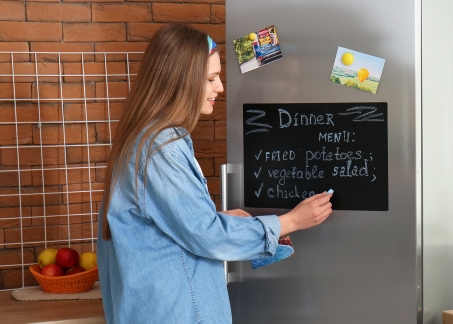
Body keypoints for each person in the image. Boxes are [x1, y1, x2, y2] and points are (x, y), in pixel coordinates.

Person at [97, 24, 333, 324]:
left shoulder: (146, 138)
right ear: (179, 82)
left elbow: (175, 225)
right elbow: (205, 235)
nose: (220, 87)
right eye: (210, 79)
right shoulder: (161, 149)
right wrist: (291, 221)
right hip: (178, 312)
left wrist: (215, 219)